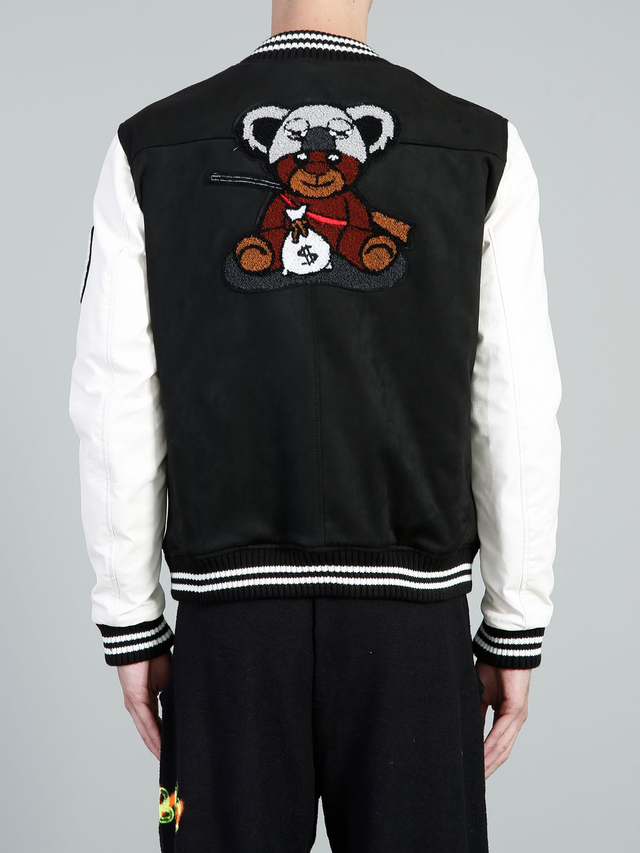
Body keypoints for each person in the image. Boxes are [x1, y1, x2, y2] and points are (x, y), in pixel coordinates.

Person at [68, 1, 562, 850]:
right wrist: (515, 624)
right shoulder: (482, 149)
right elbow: (515, 408)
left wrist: (131, 618)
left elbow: (112, 397)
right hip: (413, 630)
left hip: (227, 631)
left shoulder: (149, 148)